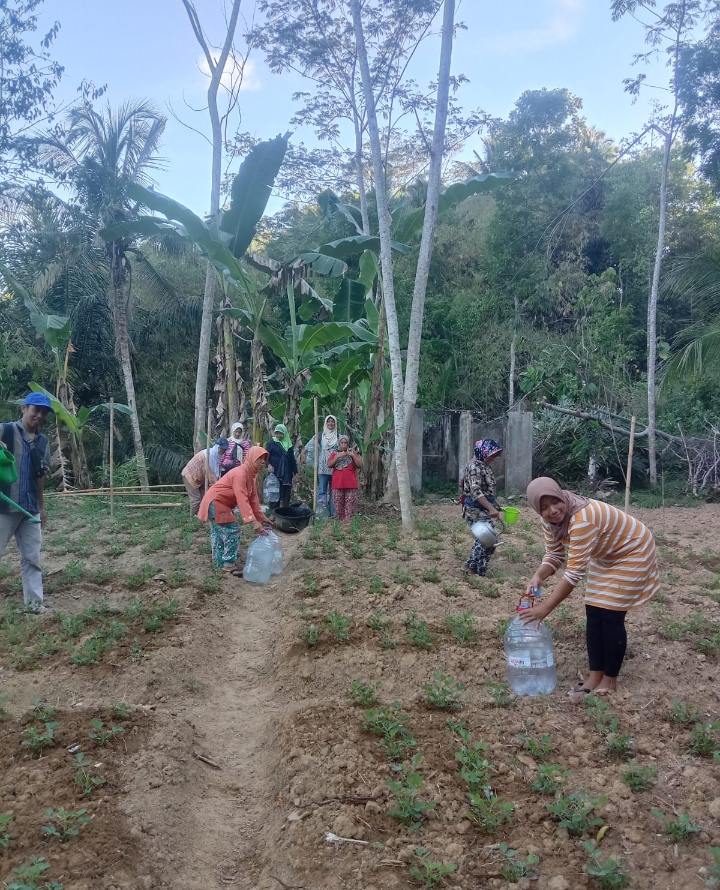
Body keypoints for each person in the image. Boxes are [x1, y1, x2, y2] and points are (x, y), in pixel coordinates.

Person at [520, 477, 660, 696]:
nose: (553, 510)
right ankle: (595, 676)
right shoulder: (549, 522)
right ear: (537, 509)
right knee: (594, 610)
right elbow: (554, 555)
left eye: (555, 502)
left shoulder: (581, 518)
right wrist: (538, 576)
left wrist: (545, 608)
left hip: (634, 550)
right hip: (606, 554)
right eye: (544, 507)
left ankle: (609, 681)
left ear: (561, 495)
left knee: (611, 612)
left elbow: (574, 574)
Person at [0, 392, 53, 613]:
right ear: (24, 408)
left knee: (32, 559)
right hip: (4, 507)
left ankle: (34, 605)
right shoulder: (6, 430)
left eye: (43, 412)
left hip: (30, 508)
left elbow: (40, 477)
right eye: (35, 410)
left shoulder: (43, 442)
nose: (39, 415)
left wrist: (41, 507)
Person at [198, 446, 270, 575]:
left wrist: (261, 517)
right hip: (216, 503)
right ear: (252, 457)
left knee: (219, 533)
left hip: (216, 503)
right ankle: (228, 564)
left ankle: (219, 562)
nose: (263, 461)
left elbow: (253, 498)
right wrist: (253, 522)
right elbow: (242, 498)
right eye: (260, 458)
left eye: (265, 459)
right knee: (233, 530)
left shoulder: (250, 475)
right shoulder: (240, 474)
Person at [460, 439, 503, 576]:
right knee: (486, 539)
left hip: (483, 507)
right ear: (483, 452)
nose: (493, 458)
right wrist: (491, 508)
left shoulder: (484, 465)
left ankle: (479, 569)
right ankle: (470, 567)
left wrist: (494, 503)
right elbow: (476, 492)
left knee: (489, 540)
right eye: (492, 455)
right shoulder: (474, 467)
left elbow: (486, 489)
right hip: (475, 509)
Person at [181, 439, 229, 517]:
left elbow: (216, 471)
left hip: (200, 478)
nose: (222, 451)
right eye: (221, 449)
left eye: (224, 449)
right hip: (190, 476)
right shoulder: (209, 456)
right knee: (196, 499)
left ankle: (202, 515)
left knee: (204, 497)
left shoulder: (216, 456)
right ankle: (193, 517)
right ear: (217, 447)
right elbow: (211, 475)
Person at [301, 415, 338, 516]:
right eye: (328, 422)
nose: (330, 423)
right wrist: (303, 453)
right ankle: (322, 513)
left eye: (332, 422)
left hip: (335, 467)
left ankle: (333, 513)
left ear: (335, 424)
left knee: (333, 490)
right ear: (325, 423)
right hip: (322, 466)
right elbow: (309, 446)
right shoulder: (320, 435)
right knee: (322, 489)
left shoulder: (338, 437)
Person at [327, 434, 362, 521]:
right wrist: (338, 456)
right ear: (339, 443)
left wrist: (353, 455)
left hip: (351, 484)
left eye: (345, 443)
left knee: (350, 506)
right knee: (338, 506)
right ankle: (341, 524)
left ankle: (347, 524)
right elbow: (329, 464)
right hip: (337, 484)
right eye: (342, 443)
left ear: (348, 443)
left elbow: (360, 465)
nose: (343, 445)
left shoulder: (352, 452)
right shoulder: (335, 453)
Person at [266, 423, 298, 509]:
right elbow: (266, 457)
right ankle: (274, 512)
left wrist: (295, 472)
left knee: (286, 493)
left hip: (287, 473)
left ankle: (285, 512)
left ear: (285, 434)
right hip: (275, 471)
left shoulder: (289, 444)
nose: (279, 435)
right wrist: (268, 464)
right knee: (275, 491)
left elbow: (292, 459)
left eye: (281, 433)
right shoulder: (271, 443)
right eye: (277, 433)